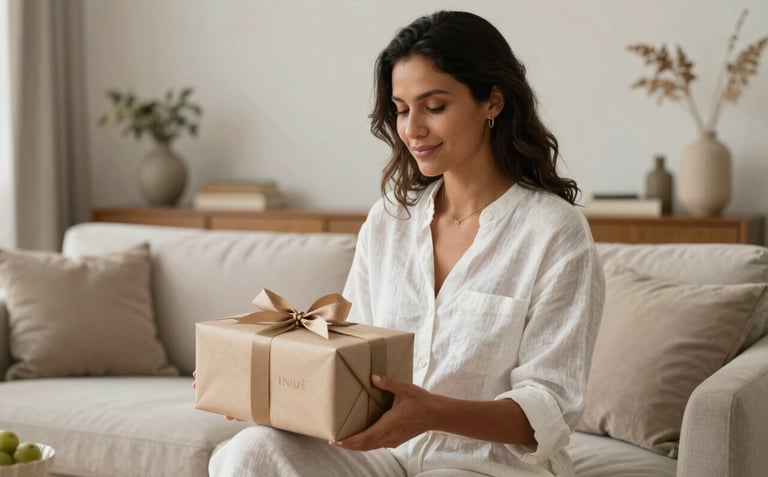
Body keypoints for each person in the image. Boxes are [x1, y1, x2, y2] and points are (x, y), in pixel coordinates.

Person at [208, 10, 605, 477]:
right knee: (252, 450)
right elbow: (349, 358)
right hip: (383, 457)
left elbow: (549, 408)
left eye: (433, 106)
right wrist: (264, 386)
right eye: (401, 109)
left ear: (492, 102)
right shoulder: (389, 220)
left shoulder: (554, 232)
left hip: (487, 466)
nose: (412, 128)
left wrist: (432, 413)